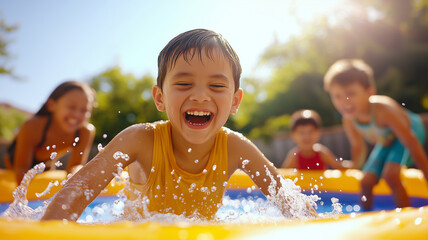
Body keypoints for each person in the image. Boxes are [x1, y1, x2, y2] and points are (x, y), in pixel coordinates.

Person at [41, 29, 317, 221]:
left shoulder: (236, 147)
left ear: (235, 101)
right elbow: (77, 191)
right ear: (160, 97)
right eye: (184, 84)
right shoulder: (140, 139)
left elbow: (290, 201)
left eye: (217, 85)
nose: (199, 95)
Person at [323, 58, 428, 210]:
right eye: (336, 96)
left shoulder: (383, 110)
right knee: (365, 182)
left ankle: (406, 218)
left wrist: (426, 173)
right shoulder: (349, 120)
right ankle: (366, 220)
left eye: (350, 93)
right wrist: (353, 166)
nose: (344, 101)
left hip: (410, 132)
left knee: (391, 176)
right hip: (387, 140)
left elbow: (410, 141)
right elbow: (357, 147)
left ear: (370, 92)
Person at [3, 81, 96, 184]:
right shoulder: (33, 126)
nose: (77, 114)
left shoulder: (85, 131)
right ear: (52, 105)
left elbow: (75, 166)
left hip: (46, 164)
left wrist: (74, 182)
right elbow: (22, 168)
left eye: (84, 110)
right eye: (71, 107)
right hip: (14, 163)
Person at [281, 109, 350, 170]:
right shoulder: (294, 156)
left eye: (311, 131)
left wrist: (355, 165)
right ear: (293, 135)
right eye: (301, 132)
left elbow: (339, 166)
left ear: (318, 133)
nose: (306, 136)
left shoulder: (321, 153)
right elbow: (282, 175)